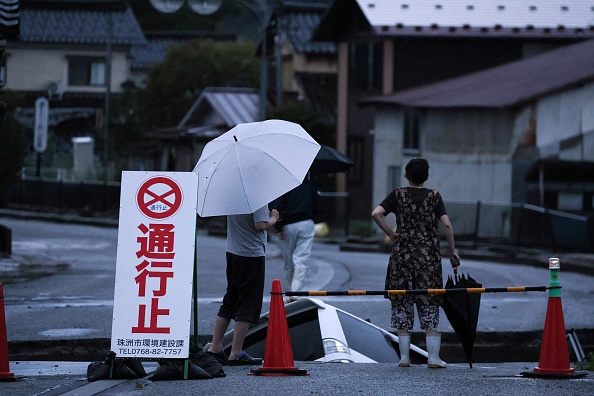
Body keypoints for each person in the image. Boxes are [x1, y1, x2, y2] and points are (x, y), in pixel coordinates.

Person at [371, 158, 460, 369]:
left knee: (402, 300)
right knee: (429, 300)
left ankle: (404, 358)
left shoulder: (398, 195)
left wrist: (391, 233)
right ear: (426, 177)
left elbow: (376, 213)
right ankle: (433, 358)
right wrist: (453, 251)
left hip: (402, 257)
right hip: (427, 257)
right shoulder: (433, 196)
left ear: (406, 175)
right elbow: (446, 223)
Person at [204, 205, 280, 365]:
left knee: (231, 298)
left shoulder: (234, 197)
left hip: (233, 252)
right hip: (250, 254)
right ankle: (236, 352)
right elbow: (260, 225)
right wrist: (273, 218)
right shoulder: (257, 199)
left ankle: (215, 346)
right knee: (248, 302)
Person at [270, 176, 322, 297]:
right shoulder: (311, 184)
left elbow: (277, 206)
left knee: (288, 260)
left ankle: (291, 288)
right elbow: (319, 206)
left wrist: (279, 227)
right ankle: (295, 290)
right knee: (302, 258)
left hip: (287, 225)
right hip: (306, 222)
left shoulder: (285, 184)